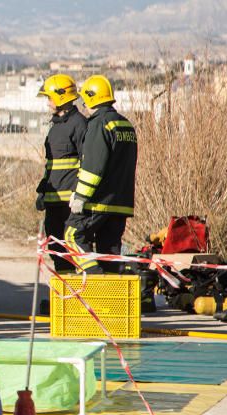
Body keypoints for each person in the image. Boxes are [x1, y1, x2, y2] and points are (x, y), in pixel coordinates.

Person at [65, 75, 138, 273]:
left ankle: (95, 279)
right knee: (109, 252)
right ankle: (111, 298)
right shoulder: (125, 125)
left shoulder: (99, 124)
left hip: (98, 202)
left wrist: (80, 196)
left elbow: (93, 168)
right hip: (120, 203)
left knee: (72, 236)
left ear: (91, 98)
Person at [36, 74, 88, 275]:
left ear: (61, 97)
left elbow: (88, 163)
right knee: (56, 250)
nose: (48, 103)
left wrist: (81, 195)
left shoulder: (79, 125)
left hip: (71, 203)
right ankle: (64, 296)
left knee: (72, 250)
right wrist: (42, 192)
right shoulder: (55, 126)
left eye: (49, 97)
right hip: (53, 202)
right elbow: (51, 165)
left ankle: (75, 296)